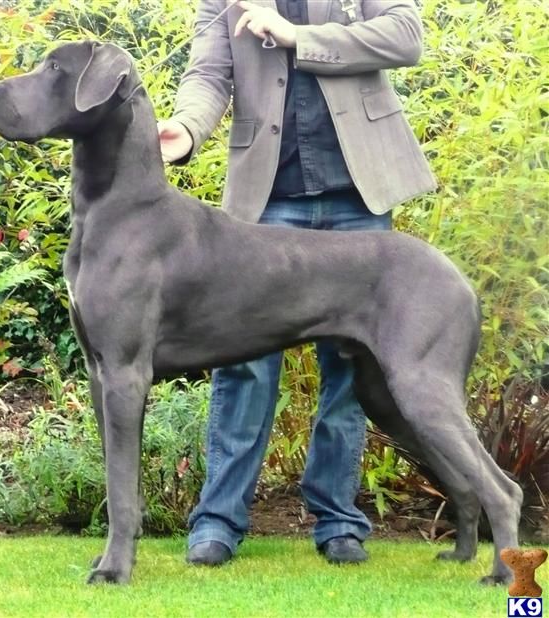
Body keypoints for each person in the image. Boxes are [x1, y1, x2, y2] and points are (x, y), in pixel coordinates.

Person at [158, 0, 436, 566]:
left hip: (359, 196)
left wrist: (296, 35)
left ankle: (338, 522)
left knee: (355, 369)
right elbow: (208, 74)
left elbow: (406, 35)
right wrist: (185, 129)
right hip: (267, 205)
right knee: (243, 367)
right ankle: (217, 522)